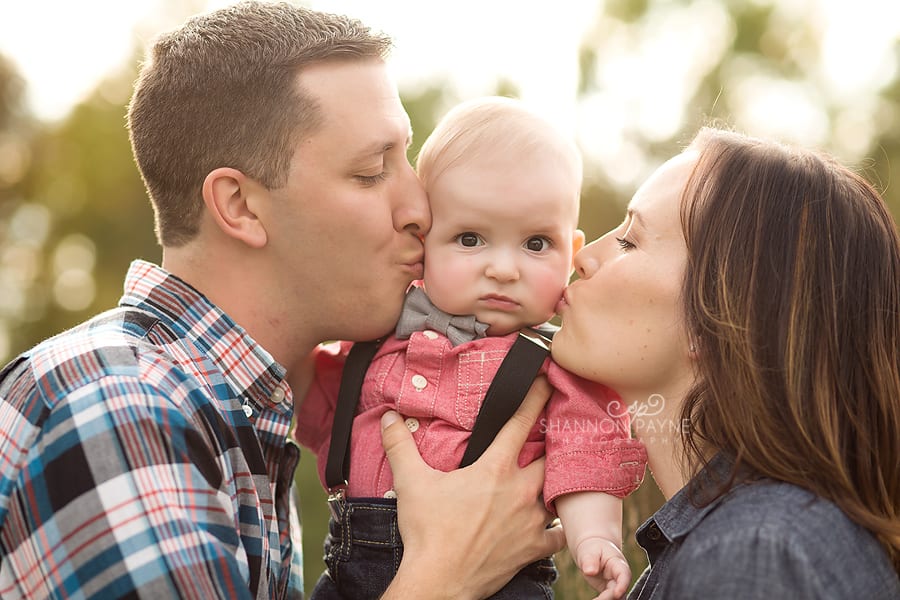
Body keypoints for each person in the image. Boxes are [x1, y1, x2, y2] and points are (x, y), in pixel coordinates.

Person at [0, 3, 565, 599]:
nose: (420, 209)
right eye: (372, 171)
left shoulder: (237, 417)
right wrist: (445, 574)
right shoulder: (120, 404)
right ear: (240, 207)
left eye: (406, 157)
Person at [297, 96, 647, 600]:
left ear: (571, 254)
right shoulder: (370, 341)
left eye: (535, 244)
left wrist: (594, 536)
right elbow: (313, 398)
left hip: (500, 581)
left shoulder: (553, 366)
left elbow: (585, 445)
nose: (504, 269)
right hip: (350, 573)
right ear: (423, 246)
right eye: (469, 239)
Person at [547, 126, 900, 598]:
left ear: (717, 315)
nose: (584, 257)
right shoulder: (750, 541)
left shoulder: (752, 554)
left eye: (629, 241)